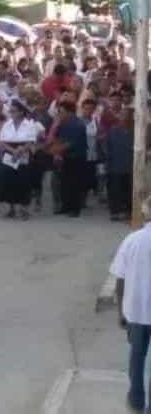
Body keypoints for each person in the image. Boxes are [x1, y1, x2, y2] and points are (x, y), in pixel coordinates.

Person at [109, 195, 151, 412]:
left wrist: (121, 313)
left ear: (145, 213)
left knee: (137, 356)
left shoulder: (132, 240)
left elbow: (120, 278)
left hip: (136, 312)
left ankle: (136, 400)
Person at [0, 99, 39, 220]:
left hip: (23, 154)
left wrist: (20, 151)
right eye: (11, 111)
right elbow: (2, 141)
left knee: (23, 182)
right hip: (9, 154)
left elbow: (31, 141)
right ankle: (11, 208)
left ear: (21, 112)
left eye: (14, 111)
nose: (11, 113)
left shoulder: (29, 124)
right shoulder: (7, 124)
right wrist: (13, 151)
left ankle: (24, 209)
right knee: (9, 181)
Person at [54, 101, 87, 218]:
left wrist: (56, 151)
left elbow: (71, 143)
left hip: (76, 157)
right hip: (65, 157)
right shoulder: (63, 123)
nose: (59, 114)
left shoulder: (78, 124)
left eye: (61, 112)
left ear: (69, 112)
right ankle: (65, 206)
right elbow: (58, 138)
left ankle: (75, 209)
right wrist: (58, 153)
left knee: (75, 183)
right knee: (64, 183)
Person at [105, 107, 134, 221]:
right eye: (121, 114)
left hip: (130, 167)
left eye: (126, 115)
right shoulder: (113, 131)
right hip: (115, 166)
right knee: (115, 189)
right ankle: (115, 211)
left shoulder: (136, 132)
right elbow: (107, 148)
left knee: (128, 191)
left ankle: (128, 211)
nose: (122, 117)